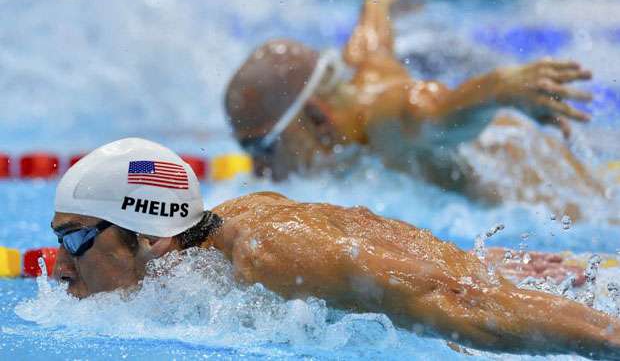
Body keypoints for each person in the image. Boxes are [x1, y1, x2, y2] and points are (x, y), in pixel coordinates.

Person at [52, 138, 619, 359]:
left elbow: (463, 303)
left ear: (151, 236)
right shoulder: (215, 247)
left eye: (75, 239)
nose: (57, 268)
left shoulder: (271, 253)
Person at [224, 0, 607, 221]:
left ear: (316, 116)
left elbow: (436, 109)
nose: (259, 170)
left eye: (263, 147)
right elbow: (373, 27)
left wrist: (501, 88)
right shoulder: (360, 65)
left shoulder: (389, 118)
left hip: (561, 206)